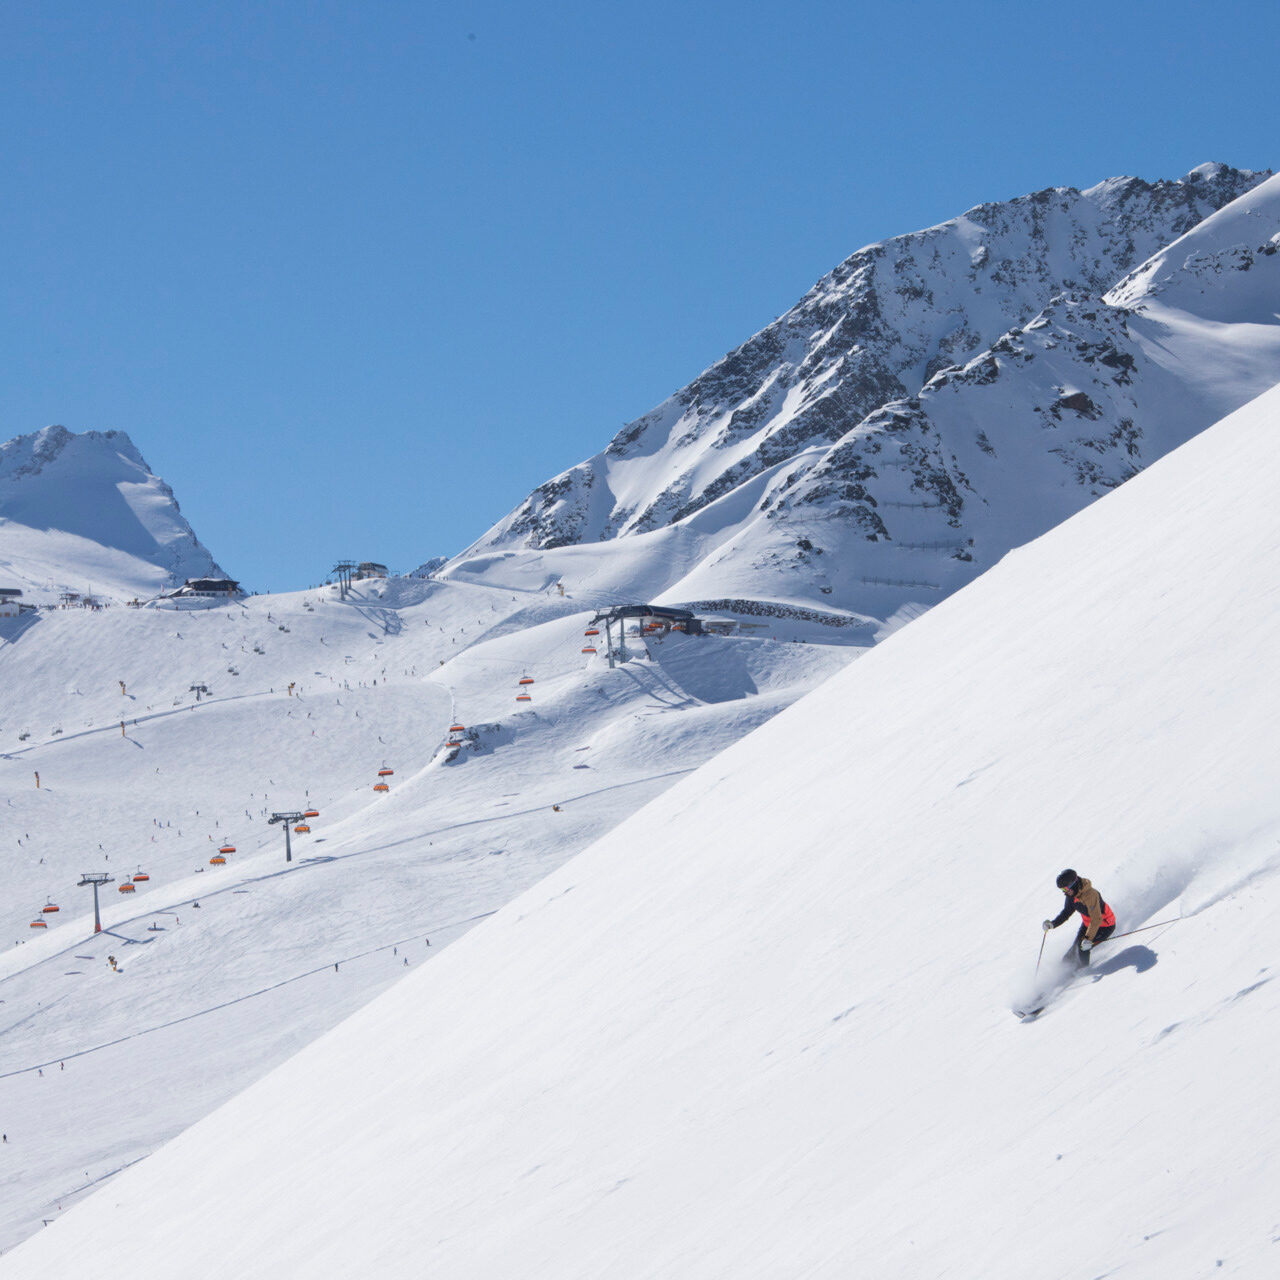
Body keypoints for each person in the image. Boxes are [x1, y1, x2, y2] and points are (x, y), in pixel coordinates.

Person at [1043, 869, 1115, 966]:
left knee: (1083, 948)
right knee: (1071, 954)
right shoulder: (1071, 895)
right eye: (1063, 890)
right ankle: (1065, 973)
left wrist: (1088, 939)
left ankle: (1084, 972)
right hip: (1088, 924)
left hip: (1104, 926)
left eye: (1065, 889)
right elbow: (1066, 912)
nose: (1064, 892)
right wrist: (1053, 924)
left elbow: (1096, 919)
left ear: (1073, 884)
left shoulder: (1090, 895)